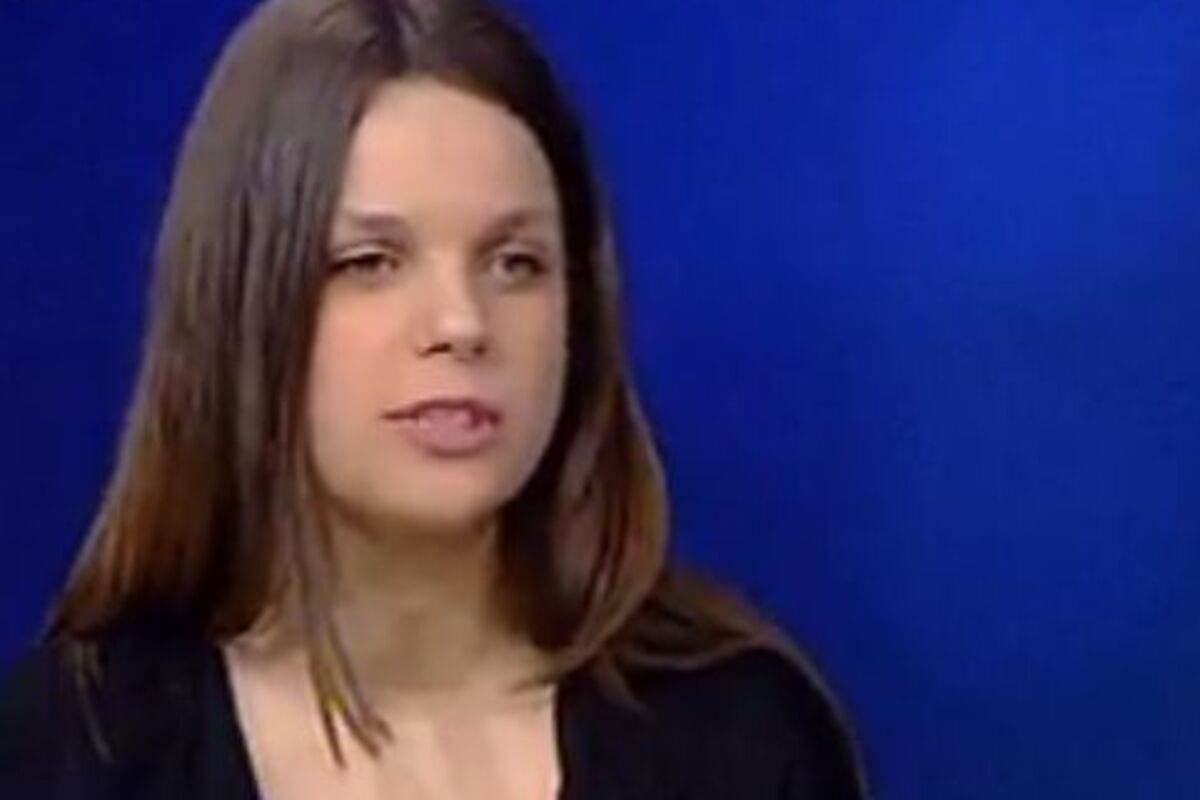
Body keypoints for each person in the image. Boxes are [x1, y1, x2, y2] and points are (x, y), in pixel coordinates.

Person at [0, 0, 869, 797]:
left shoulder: (740, 733)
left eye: (515, 263)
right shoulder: (77, 749)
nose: (462, 324)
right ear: (243, 305)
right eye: (370, 263)